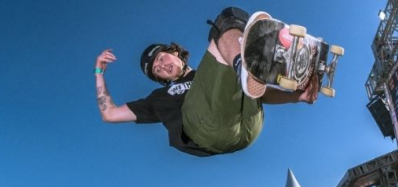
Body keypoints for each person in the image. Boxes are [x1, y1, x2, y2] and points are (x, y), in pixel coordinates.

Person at [94, 7, 319, 157]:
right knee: (222, 28)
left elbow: (260, 94)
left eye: (161, 58)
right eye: (157, 71)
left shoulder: (215, 71)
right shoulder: (158, 99)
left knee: (230, 32)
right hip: (205, 131)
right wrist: (98, 72)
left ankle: (275, 59)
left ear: (175, 52)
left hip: (249, 126)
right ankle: (253, 58)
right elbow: (109, 114)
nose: (161, 66)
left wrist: (296, 97)